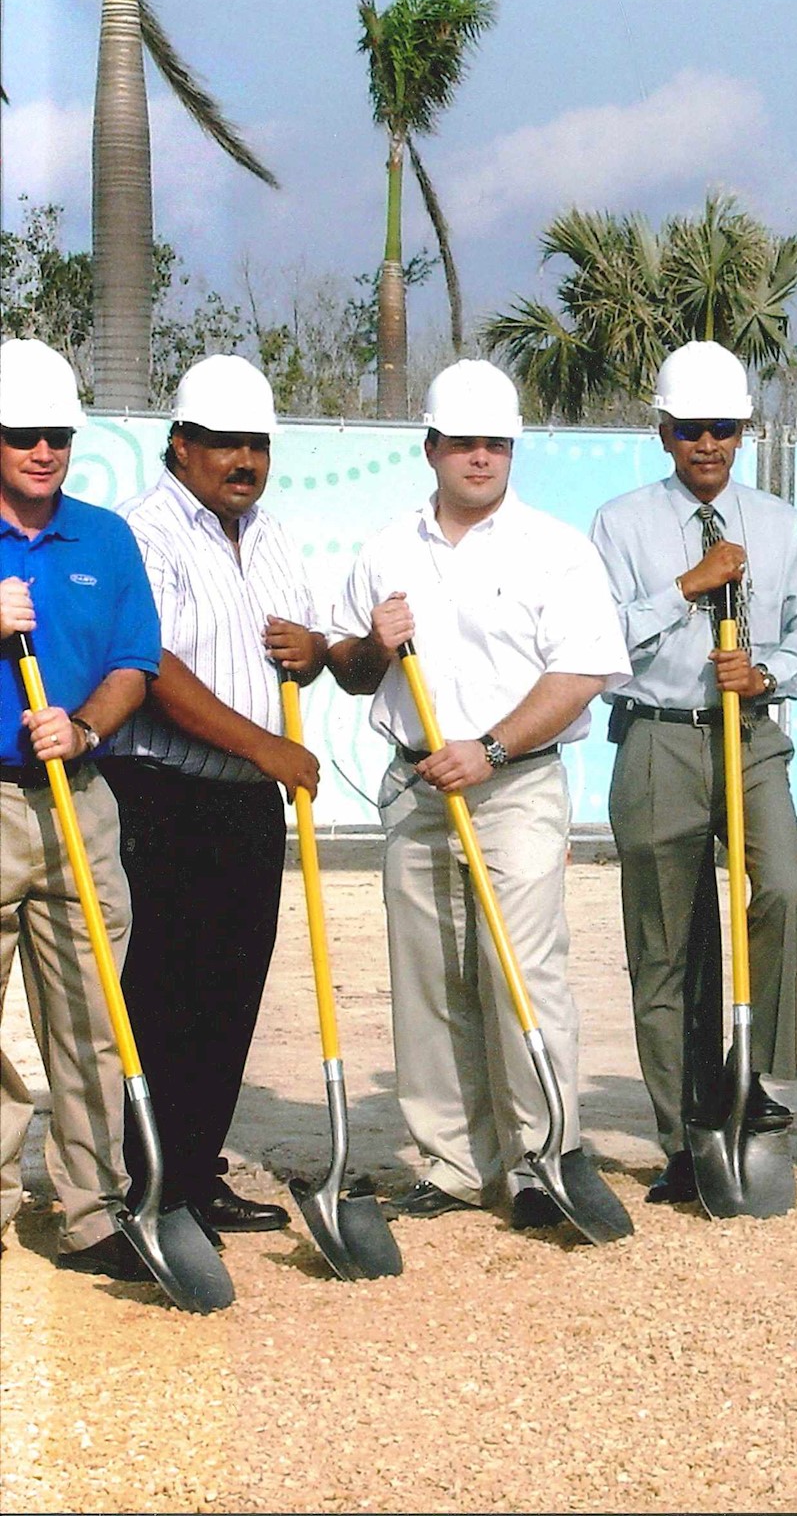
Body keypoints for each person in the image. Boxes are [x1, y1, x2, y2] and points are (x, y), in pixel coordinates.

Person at [327, 360, 629, 1228]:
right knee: (428, 978)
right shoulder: (387, 548)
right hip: (415, 783)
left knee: (522, 968)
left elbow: (578, 676)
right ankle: (455, 1161)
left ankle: (545, 1156)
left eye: (496, 443)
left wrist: (490, 749)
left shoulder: (555, 549)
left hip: (516, 784)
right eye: (463, 443)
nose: (481, 458)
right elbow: (350, 674)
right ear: (430, 448)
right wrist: (375, 646)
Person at [591, 341, 797, 1206]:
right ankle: (684, 1133)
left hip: (750, 733)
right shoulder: (620, 524)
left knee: (786, 893)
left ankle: (753, 1075)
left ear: (745, 432)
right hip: (657, 737)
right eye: (691, 429)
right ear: (663, 431)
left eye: (723, 429)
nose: (708, 446)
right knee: (666, 946)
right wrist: (690, 585)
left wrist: (765, 674)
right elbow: (602, 641)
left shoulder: (780, 524)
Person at [100, 356, 327, 1236]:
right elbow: (152, 667)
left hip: (246, 805)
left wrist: (315, 649)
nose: (244, 459)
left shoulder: (270, 534)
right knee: (159, 992)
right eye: (225, 443)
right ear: (180, 444)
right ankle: (146, 1182)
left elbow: (300, 647)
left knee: (231, 992)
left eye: (258, 444)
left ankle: (196, 1171)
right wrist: (268, 746)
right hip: (159, 794)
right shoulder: (142, 532)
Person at [0, 338, 160, 1280]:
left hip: (77, 800)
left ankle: (93, 1207)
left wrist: (88, 729)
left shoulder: (105, 537)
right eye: (22, 434)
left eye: (56, 434)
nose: (42, 451)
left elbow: (133, 665)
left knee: (94, 1009)